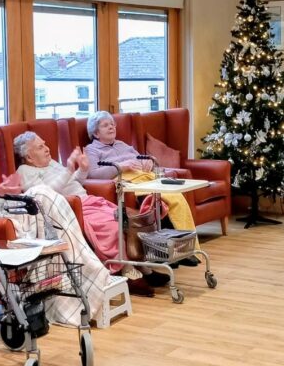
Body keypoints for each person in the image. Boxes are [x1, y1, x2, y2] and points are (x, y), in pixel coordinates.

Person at [0, 117, 110, 325]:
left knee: (42, 198)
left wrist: (7, 192)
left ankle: (82, 273)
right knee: (41, 194)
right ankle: (87, 273)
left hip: (1, 210)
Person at [13, 131, 157, 296]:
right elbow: (45, 194)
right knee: (112, 225)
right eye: (40, 147)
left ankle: (139, 263)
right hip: (70, 208)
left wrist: (82, 169)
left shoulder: (51, 163)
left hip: (87, 200)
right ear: (29, 157)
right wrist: (68, 170)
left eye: (45, 144)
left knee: (129, 217)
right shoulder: (24, 171)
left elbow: (75, 182)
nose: (46, 148)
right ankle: (126, 270)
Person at [83, 110, 201, 269]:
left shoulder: (123, 145)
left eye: (112, 124)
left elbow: (144, 158)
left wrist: (149, 162)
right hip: (127, 183)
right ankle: (168, 253)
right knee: (159, 203)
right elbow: (92, 174)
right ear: (96, 133)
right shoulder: (92, 150)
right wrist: (120, 166)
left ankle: (184, 248)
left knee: (176, 197)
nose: (111, 127)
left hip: (144, 178)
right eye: (105, 125)